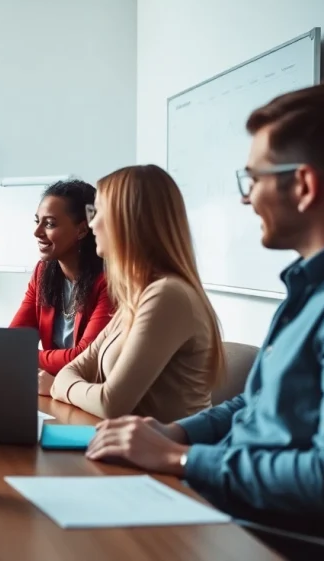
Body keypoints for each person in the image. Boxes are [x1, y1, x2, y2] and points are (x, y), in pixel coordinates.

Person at [84, 82, 324, 548]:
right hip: (227, 504)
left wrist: (180, 459)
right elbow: (257, 403)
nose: (246, 199)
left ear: (303, 186)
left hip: (269, 536)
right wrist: (176, 432)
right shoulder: (317, 280)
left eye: (254, 180)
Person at [48, 165, 224, 422]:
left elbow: (111, 404)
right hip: (131, 450)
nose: (92, 223)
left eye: (97, 212)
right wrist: (67, 383)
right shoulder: (137, 297)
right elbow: (74, 368)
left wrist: (62, 387)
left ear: (127, 221)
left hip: (166, 457)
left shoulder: (167, 296)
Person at [9, 179, 113, 383]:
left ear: (82, 229)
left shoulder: (108, 281)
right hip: (51, 388)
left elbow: (84, 357)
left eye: (49, 224)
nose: (37, 232)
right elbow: (13, 342)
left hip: (88, 391)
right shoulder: (43, 272)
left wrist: (26, 357)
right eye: (37, 221)